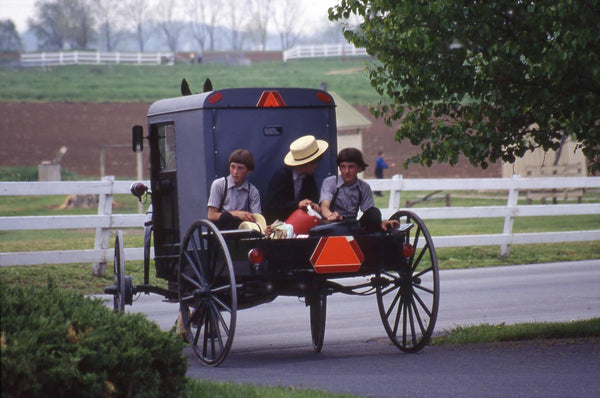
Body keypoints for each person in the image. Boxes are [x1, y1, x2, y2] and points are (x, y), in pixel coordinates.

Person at [320, 148, 398, 232]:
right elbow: (324, 206)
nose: (346, 171)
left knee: (374, 212)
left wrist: (380, 223)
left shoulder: (364, 187)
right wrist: (331, 215)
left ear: (359, 168)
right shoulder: (330, 182)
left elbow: (371, 214)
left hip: (353, 227)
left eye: (351, 167)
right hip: (333, 226)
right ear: (339, 168)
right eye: (343, 167)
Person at [264, 135, 329, 223]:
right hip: (280, 224)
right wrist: (297, 204)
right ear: (306, 164)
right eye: (315, 162)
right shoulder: (280, 176)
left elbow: (312, 197)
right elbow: (273, 206)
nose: (316, 166)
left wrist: (313, 205)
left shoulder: (309, 177)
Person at [207, 149, 261, 230]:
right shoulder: (219, 184)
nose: (235, 172)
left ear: (248, 170)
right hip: (221, 232)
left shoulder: (252, 191)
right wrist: (236, 214)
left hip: (242, 231)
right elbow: (211, 216)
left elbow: (257, 218)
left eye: (240, 168)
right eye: (232, 167)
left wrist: (261, 227)